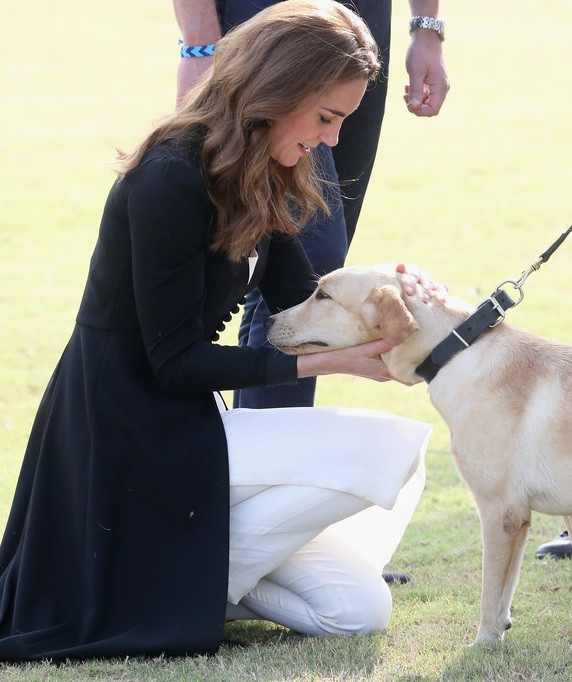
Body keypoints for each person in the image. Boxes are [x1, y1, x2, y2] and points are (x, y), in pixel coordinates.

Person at [0, 1, 437, 662]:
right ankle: (153, 578)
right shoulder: (169, 176)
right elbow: (173, 362)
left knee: (357, 610)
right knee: (387, 450)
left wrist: (400, 295)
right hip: (125, 437)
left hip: (193, 428)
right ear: (276, 92)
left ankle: (170, 579)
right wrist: (338, 366)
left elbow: (297, 302)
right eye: (326, 118)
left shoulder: (267, 171)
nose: (333, 140)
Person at [174, 0, 450, 409]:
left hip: (366, 25)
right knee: (312, 258)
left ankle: (272, 447)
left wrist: (426, 27)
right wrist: (200, 43)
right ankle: (268, 453)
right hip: (273, 23)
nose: (332, 136)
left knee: (302, 271)